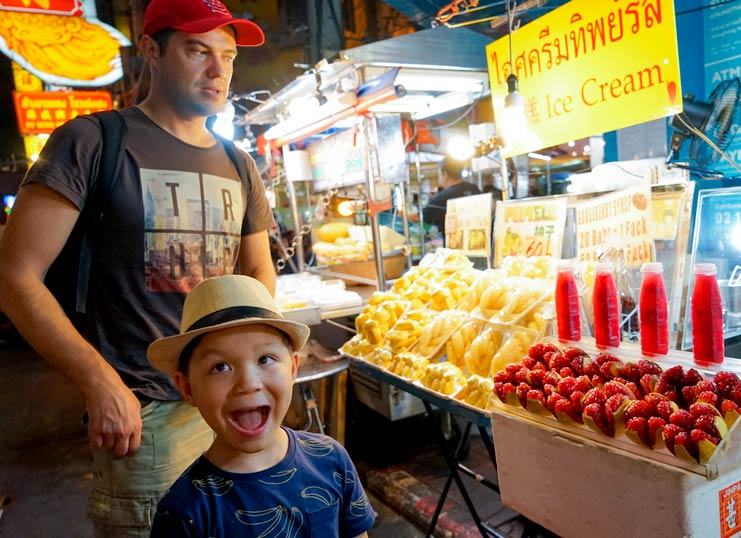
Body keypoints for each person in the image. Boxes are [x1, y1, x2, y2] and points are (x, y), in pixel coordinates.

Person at [0, 0, 276, 535]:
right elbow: (15, 277)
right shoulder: (93, 142)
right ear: (151, 50)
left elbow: (259, 275)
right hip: (145, 415)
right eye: (198, 51)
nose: (219, 71)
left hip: (227, 404)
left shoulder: (240, 162)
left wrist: (259, 367)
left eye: (228, 55)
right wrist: (100, 384)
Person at [146, 274, 375, 537]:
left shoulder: (331, 461)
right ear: (187, 388)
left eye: (265, 359)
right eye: (220, 367)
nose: (248, 383)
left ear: (292, 368)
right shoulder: (184, 513)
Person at [417, 156, 482, 234]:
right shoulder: (474, 189)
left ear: (445, 175)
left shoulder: (442, 198)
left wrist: (401, 213)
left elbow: (420, 217)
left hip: (454, 244)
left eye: (439, 174)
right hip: (479, 241)